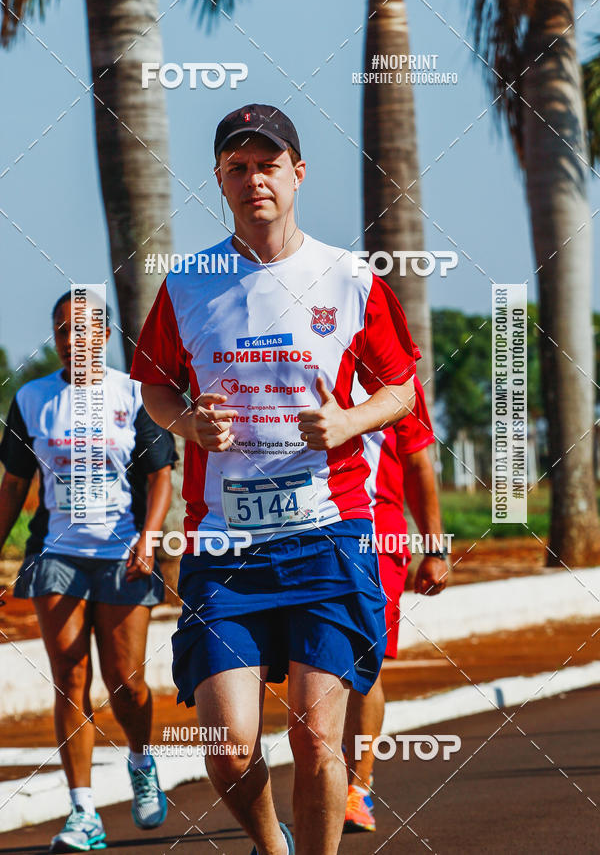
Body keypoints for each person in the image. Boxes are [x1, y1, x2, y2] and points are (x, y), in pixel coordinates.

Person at [130, 103, 418, 855]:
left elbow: (401, 388)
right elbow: (154, 386)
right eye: (239, 167)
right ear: (220, 181)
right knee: (227, 746)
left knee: (317, 740)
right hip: (225, 544)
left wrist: (350, 422)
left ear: (298, 174)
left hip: (329, 533)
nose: (255, 179)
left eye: (269, 165)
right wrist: (188, 422)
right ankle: (272, 843)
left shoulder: (349, 277)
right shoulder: (188, 283)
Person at [0, 292, 177, 853]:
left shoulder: (135, 394)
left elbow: (161, 475)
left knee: (126, 681)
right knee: (70, 679)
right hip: (56, 556)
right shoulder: (32, 399)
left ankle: (141, 762)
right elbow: (13, 485)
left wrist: (149, 538)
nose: (71, 340)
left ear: (102, 335)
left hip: (124, 555)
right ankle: (83, 814)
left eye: (82, 329)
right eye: (61, 330)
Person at [343, 375, 448, 832]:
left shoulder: (393, 377)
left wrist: (435, 549)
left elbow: (418, 463)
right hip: (301, 531)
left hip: (376, 536)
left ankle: (356, 788)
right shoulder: (291, 357)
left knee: (364, 661)